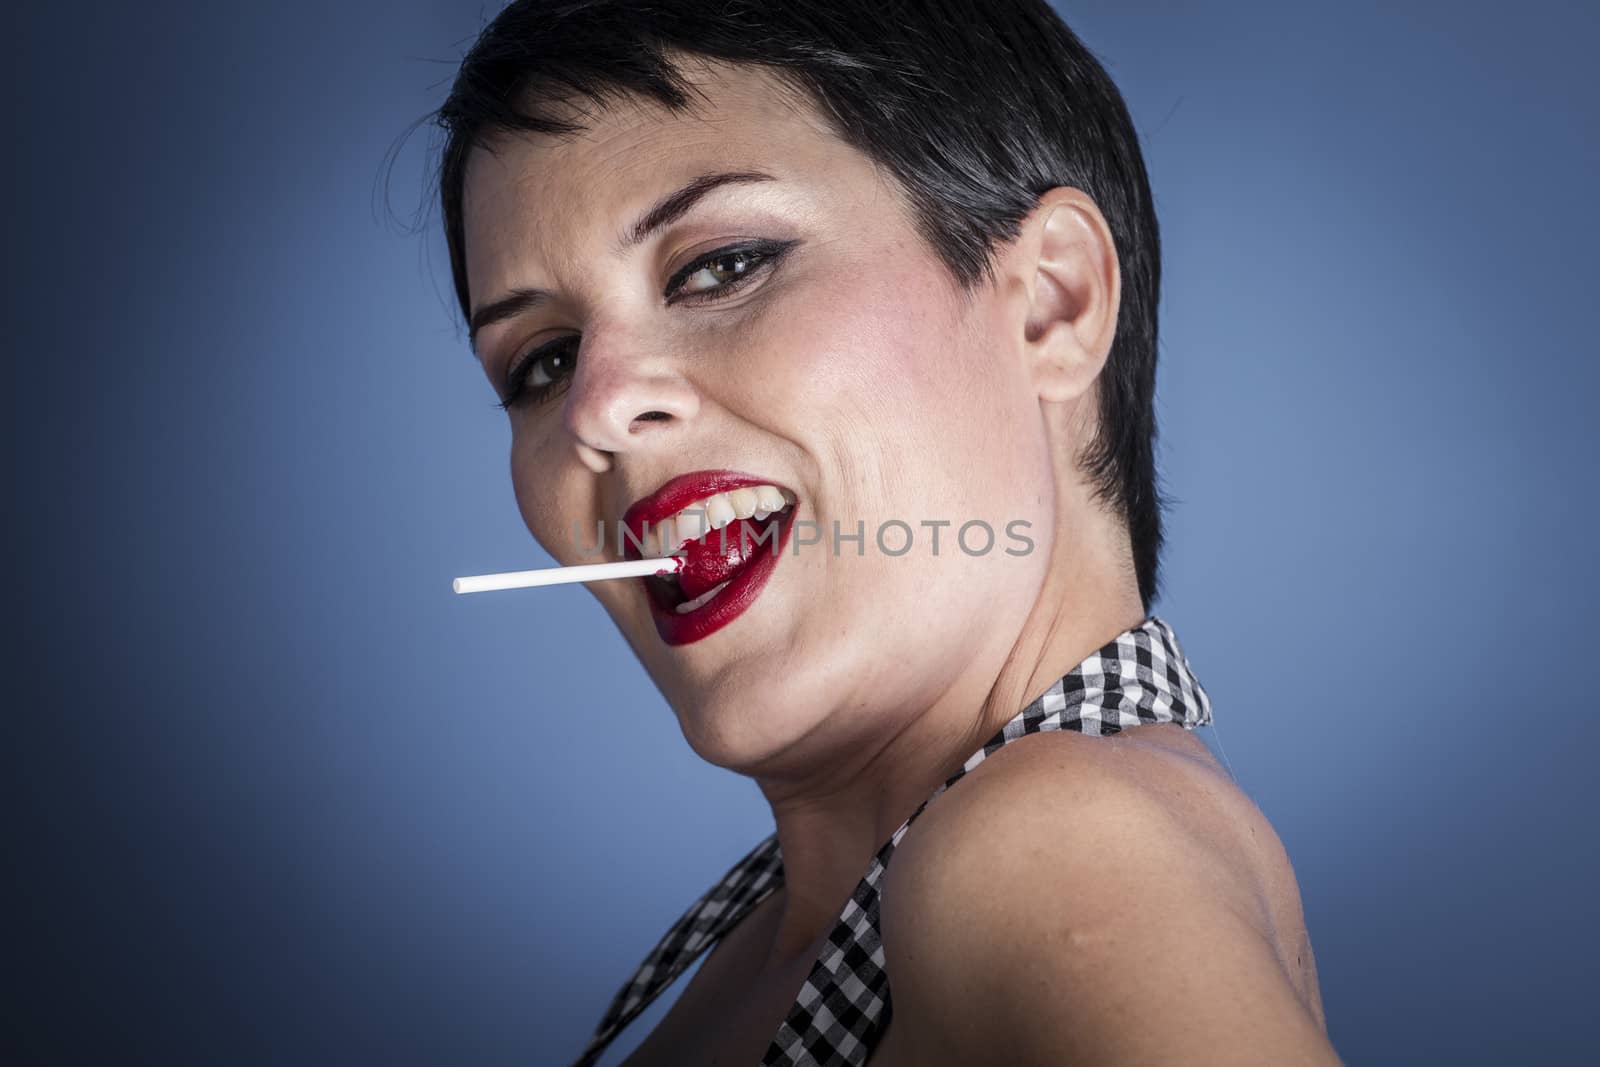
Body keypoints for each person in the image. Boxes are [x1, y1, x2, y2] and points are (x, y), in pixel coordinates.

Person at [430, 1, 1340, 1062]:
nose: (595, 406)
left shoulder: (1058, 844)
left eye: (720, 265)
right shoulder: (793, 928)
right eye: (542, 359)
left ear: (1051, 301)